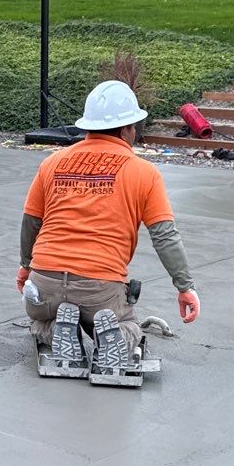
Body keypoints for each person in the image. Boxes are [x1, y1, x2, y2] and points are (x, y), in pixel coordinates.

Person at [17, 79, 200, 362]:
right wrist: (185, 287)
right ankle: (112, 335)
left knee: (41, 319)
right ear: (129, 128)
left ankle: (56, 330)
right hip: (99, 287)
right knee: (124, 325)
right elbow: (165, 236)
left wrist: (25, 267)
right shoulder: (144, 172)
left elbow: (31, 221)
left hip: (45, 283)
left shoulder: (51, 163)